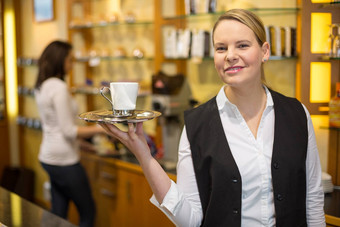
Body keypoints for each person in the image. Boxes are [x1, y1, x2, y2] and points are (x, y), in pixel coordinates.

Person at [99, 9, 325, 227]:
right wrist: (144, 156)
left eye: (243, 45)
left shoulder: (297, 114)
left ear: (264, 51)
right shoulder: (197, 124)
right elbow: (190, 220)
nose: (230, 56)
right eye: (221, 48)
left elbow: (313, 199)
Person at [34, 40, 104, 227]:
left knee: (58, 213)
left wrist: (82, 145)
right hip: (64, 160)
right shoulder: (58, 87)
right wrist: (103, 128)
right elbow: (68, 130)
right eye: (70, 60)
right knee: (88, 211)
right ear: (60, 60)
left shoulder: (42, 85)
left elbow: (54, 127)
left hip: (48, 156)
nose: (72, 65)